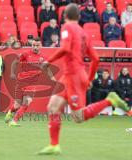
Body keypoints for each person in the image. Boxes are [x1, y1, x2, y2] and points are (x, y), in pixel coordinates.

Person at [37, 3, 130, 155]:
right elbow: (95, 58)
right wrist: (89, 79)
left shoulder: (67, 27)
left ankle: (110, 100)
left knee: (78, 117)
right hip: (71, 75)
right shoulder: (83, 33)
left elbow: (65, 48)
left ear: (65, 16)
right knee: (53, 107)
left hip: (73, 76)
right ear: (79, 17)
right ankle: (54, 145)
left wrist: (48, 61)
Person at [4, 38, 55, 126]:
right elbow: (15, 62)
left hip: (32, 83)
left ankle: (14, 121)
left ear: (40, 46)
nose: (35, 47)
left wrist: (52, 78)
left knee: (27, 102)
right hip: (21, 81)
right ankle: (9, 112)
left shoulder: (44, 57)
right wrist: (12, 73)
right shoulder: (25, 54)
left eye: (37, 45)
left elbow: (47, 68)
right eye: (33, 45)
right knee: (17, 105)